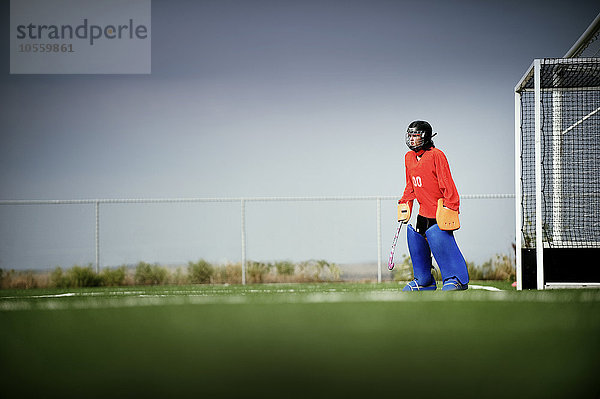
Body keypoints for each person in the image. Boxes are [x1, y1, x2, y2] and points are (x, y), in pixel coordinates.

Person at [397, 120, 469, 291]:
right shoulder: (408, 158)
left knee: (441, 242)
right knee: (417, 239)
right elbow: (410, 185)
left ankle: (456, 278)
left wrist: (452, 207)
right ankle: (425, 281)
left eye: (416, 136)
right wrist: (405, 203)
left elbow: (447, 183)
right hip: (423, 213)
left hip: (439, 212)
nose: (412, 139)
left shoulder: (437, 155)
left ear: (426, 137)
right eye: (410, 136)